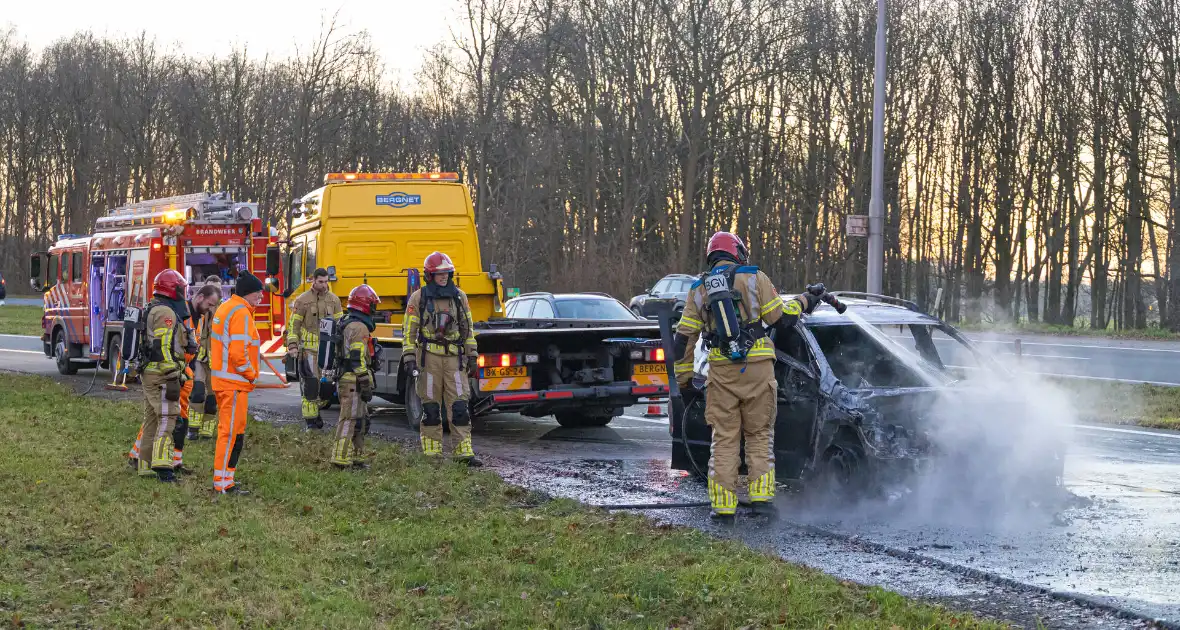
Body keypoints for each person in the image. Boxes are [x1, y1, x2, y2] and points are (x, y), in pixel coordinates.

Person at [672, 232, 819, 520]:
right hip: (758, 371)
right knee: (759, 435)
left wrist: (684, 382)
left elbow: (683, 340)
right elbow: (781, 318)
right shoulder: (755, 278)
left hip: (722, 373)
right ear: (737, 252)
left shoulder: (698, 289)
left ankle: (724, 507)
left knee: (724, 438)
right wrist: (804, 300)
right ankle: (762, 501)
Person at [402, 252, 480, 465]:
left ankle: (463, 452)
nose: (444, 277)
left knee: (459, 407)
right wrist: (409, 357)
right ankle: (432, 454)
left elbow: (468, 329)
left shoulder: (459, 297)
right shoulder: (419, 298)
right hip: (429, 360)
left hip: (454, 360)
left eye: (446, 273)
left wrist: (472, 355)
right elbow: (409, 330)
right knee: (431, 408)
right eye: (439, 274)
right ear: (429, 275)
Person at [129, 270, 190, 483]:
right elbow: (162, 346)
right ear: (173, 289)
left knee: (151, 419)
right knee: (168, 417)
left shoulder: (151, 308)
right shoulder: (166, 312)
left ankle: (144, 465)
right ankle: (163, 467)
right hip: (161, 375)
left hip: (148, 372)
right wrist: (172, 374)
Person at [209, 272, 264, 495]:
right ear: (248, 293)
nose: (261, 296)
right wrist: (251, 374)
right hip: (234, 384)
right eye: (258, 292)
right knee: (230, 434)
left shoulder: (227, 307)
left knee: (233, 432)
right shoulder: (241, 312)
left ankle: (226, 479)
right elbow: (238, 354)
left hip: (227, 383)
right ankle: (222, 483)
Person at [330, 284, 380, 469]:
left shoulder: (348, 322)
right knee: (350, 419)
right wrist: (365, 383)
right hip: (353, 380)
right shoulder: (359, 328)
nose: (374, 309)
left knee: (360, 420)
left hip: (350, 379)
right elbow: (357, 360)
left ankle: (357, 458)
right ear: (365, 304)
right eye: (373, 305)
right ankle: (340, 459)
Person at [286, 268, 343, 430]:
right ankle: (311, 424)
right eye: (321, 282)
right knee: (310, 388)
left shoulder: (334, 300)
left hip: (328, 354)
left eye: (326, 282)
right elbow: (294, 326)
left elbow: (340, 326)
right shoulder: (302, 300)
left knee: (326, 390)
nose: (324, 285)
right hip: (308, 353)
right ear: (313, 280)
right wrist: (292, 345)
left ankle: (316, 413)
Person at [188, 284, 223, 441]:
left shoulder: (218, 313)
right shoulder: (195, 312)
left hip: (215, 363)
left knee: (211, 400)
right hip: (200, 361)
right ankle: (193, 429)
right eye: (210, 303)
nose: (211, 307)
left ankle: (207, 432)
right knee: (197, 393)